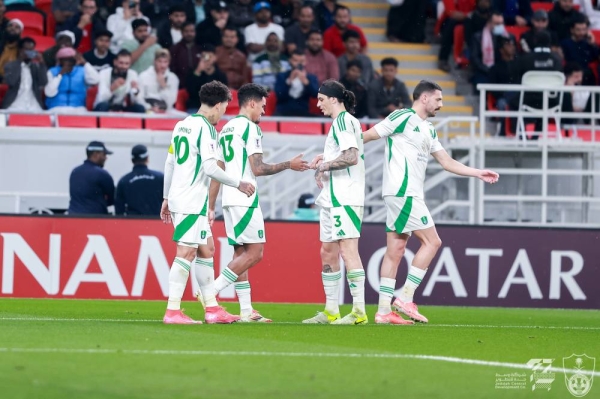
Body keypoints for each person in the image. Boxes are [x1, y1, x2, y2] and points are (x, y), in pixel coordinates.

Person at [361, 80, 499, 324]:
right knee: (432, 241)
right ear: (424, 98)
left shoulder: (429, 128)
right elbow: (369, 135)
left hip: (404, 193)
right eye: (438, 99)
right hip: (403, 192)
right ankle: (405, 297)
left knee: (395, 250)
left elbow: (447, 162)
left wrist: (478, 172)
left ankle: (383, 311)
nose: (441, 104)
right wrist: (336, 151)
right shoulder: (402, 116)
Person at [207, 83, 309, 322]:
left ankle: (245, 311)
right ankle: (210, 291)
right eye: (262, 106)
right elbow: (258, 168)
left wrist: (211, 205)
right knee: (256, 253)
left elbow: (218, 169)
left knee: (240, 253)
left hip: (229, 200)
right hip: (245, 197)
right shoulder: (250, 129)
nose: (264, 111)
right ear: (251, 103)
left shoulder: (227, 128)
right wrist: (288, 165)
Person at [160, 81, 256, 325]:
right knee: (187, 251)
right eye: (225, 106)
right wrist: (238, 183)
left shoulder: (181, 125)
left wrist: (166, 197)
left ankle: (212, 308)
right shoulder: (207, 129)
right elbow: (210, 167)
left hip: (184, 198)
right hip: (191, 200)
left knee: (207, 249)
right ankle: (172, 311)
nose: (224, 112)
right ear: (218, 104)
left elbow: (170, 163)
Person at [302, 79, 367, 325]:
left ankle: (359, 311)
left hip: (345, 196)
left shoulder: (343, 121)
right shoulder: (340, 123)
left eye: (321, 99)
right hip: (333, 197)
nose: (318, 104)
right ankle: (331, 310)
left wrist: (324, 165)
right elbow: (345, 152)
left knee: (348, 251)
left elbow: (351, 157)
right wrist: (326, 157)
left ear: (333, 99)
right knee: (327, 250)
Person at [45, 47, 99, 112]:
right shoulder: (52, 71)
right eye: (65, 60)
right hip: (56, 108)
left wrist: (84, 63)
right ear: (60, 61)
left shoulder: (82, 70)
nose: (68, 62)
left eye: (70, 60)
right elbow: (49, 93)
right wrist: (60, 74)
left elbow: (96, 80)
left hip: (78, 108)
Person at [68, 141, 115, 215]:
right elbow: (112, 199)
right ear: (96, 154)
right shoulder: (102, 174)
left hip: (73, 217)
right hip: (95, 219)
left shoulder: (75, 172)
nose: (106, 158)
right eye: (104, 154)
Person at [115, 144, 163, 216]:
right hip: (156, 223)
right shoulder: (160, 177)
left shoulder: (124, 181)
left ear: (132, 160)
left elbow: (119, 210)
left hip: (132, 224)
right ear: (147, 158)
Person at [2, 37, 47, 112]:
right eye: (26, 49)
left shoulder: (36, 66)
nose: (29, 52)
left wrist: (42, 63)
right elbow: (11, 81)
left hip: (34, 105)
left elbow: (43, 82)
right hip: (14, 105)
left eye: (31, 50)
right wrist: (20, 61)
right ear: (20, 50)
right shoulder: (10, 65)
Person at [274, 49, 318, 116]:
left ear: (305, 62)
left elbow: (315, 94)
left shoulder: (311, 77)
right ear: (290, 61)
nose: (298, 64)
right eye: (295, 61)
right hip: (284, 111)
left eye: (301, 61)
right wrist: (289, 81)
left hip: (303, 111)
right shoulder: (282, 76)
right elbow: (279, 96)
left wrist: (306, 82)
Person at [436, 0, 476, 72]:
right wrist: (468, 15)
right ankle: (443, 59)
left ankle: (470, 58)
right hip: (448, 22)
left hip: (468, 21)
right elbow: (452, 13)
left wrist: (469, 15)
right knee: (451, 23)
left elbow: (475, 9)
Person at [186, 43, 227, 113]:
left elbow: (223, 96)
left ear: (215, 58)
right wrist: (198, 71)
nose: (207, 59)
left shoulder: (220, 75)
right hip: (196, 107)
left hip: (214, 109)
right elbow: (190, 91)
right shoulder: (193, 72)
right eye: (204, 56)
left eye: (209, 57)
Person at [561, 15, 599, 85]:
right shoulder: (565, 43)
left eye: (584, 29)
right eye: (578, 30)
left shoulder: (589, 43)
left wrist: (593, 45)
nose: (581, 33)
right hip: (571, 75)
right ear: (572, 30)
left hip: (587, 76)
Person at [138, 48, 179, 114]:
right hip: (148, 109)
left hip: (166, 110)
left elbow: (171, 102)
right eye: (160, 61)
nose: (163, 65)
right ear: (155, 61)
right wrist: (149, 107)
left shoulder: (173, 78)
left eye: (165, 62)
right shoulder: (143, 76)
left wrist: (164, 86)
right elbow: (139, 98)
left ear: (169, 62)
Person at [488, 36, 520, 111]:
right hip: (503, 97)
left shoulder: (520, 65)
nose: (511, 47)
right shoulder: (495, 68)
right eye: (508, 45)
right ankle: (504, 123)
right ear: (501, 50)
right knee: (502, 104)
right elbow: (492, 88)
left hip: (518, 96)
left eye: (513, 44)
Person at [169, 21, 201, 88]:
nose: (189, 34)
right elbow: (172, 68)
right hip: (180, 85)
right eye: (186, 31)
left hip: (198, 85)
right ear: (182, 32)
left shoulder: (199, 48)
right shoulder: (175, 49)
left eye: (192, 31)